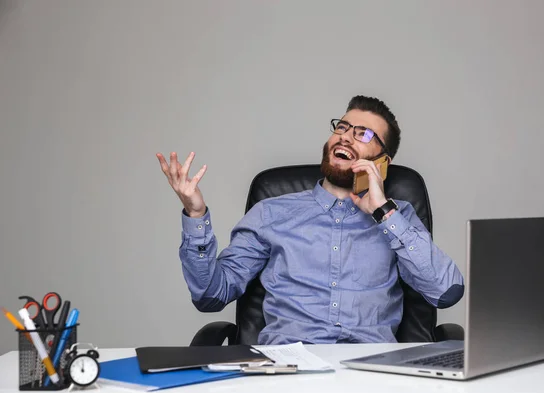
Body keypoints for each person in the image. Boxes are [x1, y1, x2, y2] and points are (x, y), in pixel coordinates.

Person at [157, 95, 464, 345]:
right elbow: (210, 296)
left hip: (369, 375)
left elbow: (446, 291)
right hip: (286, 372)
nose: (346, 137)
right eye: (342, 127)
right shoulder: (271, 213)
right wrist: (195, 216)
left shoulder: (398, 218)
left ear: (383, 162)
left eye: (363, 134)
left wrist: (383, 212)